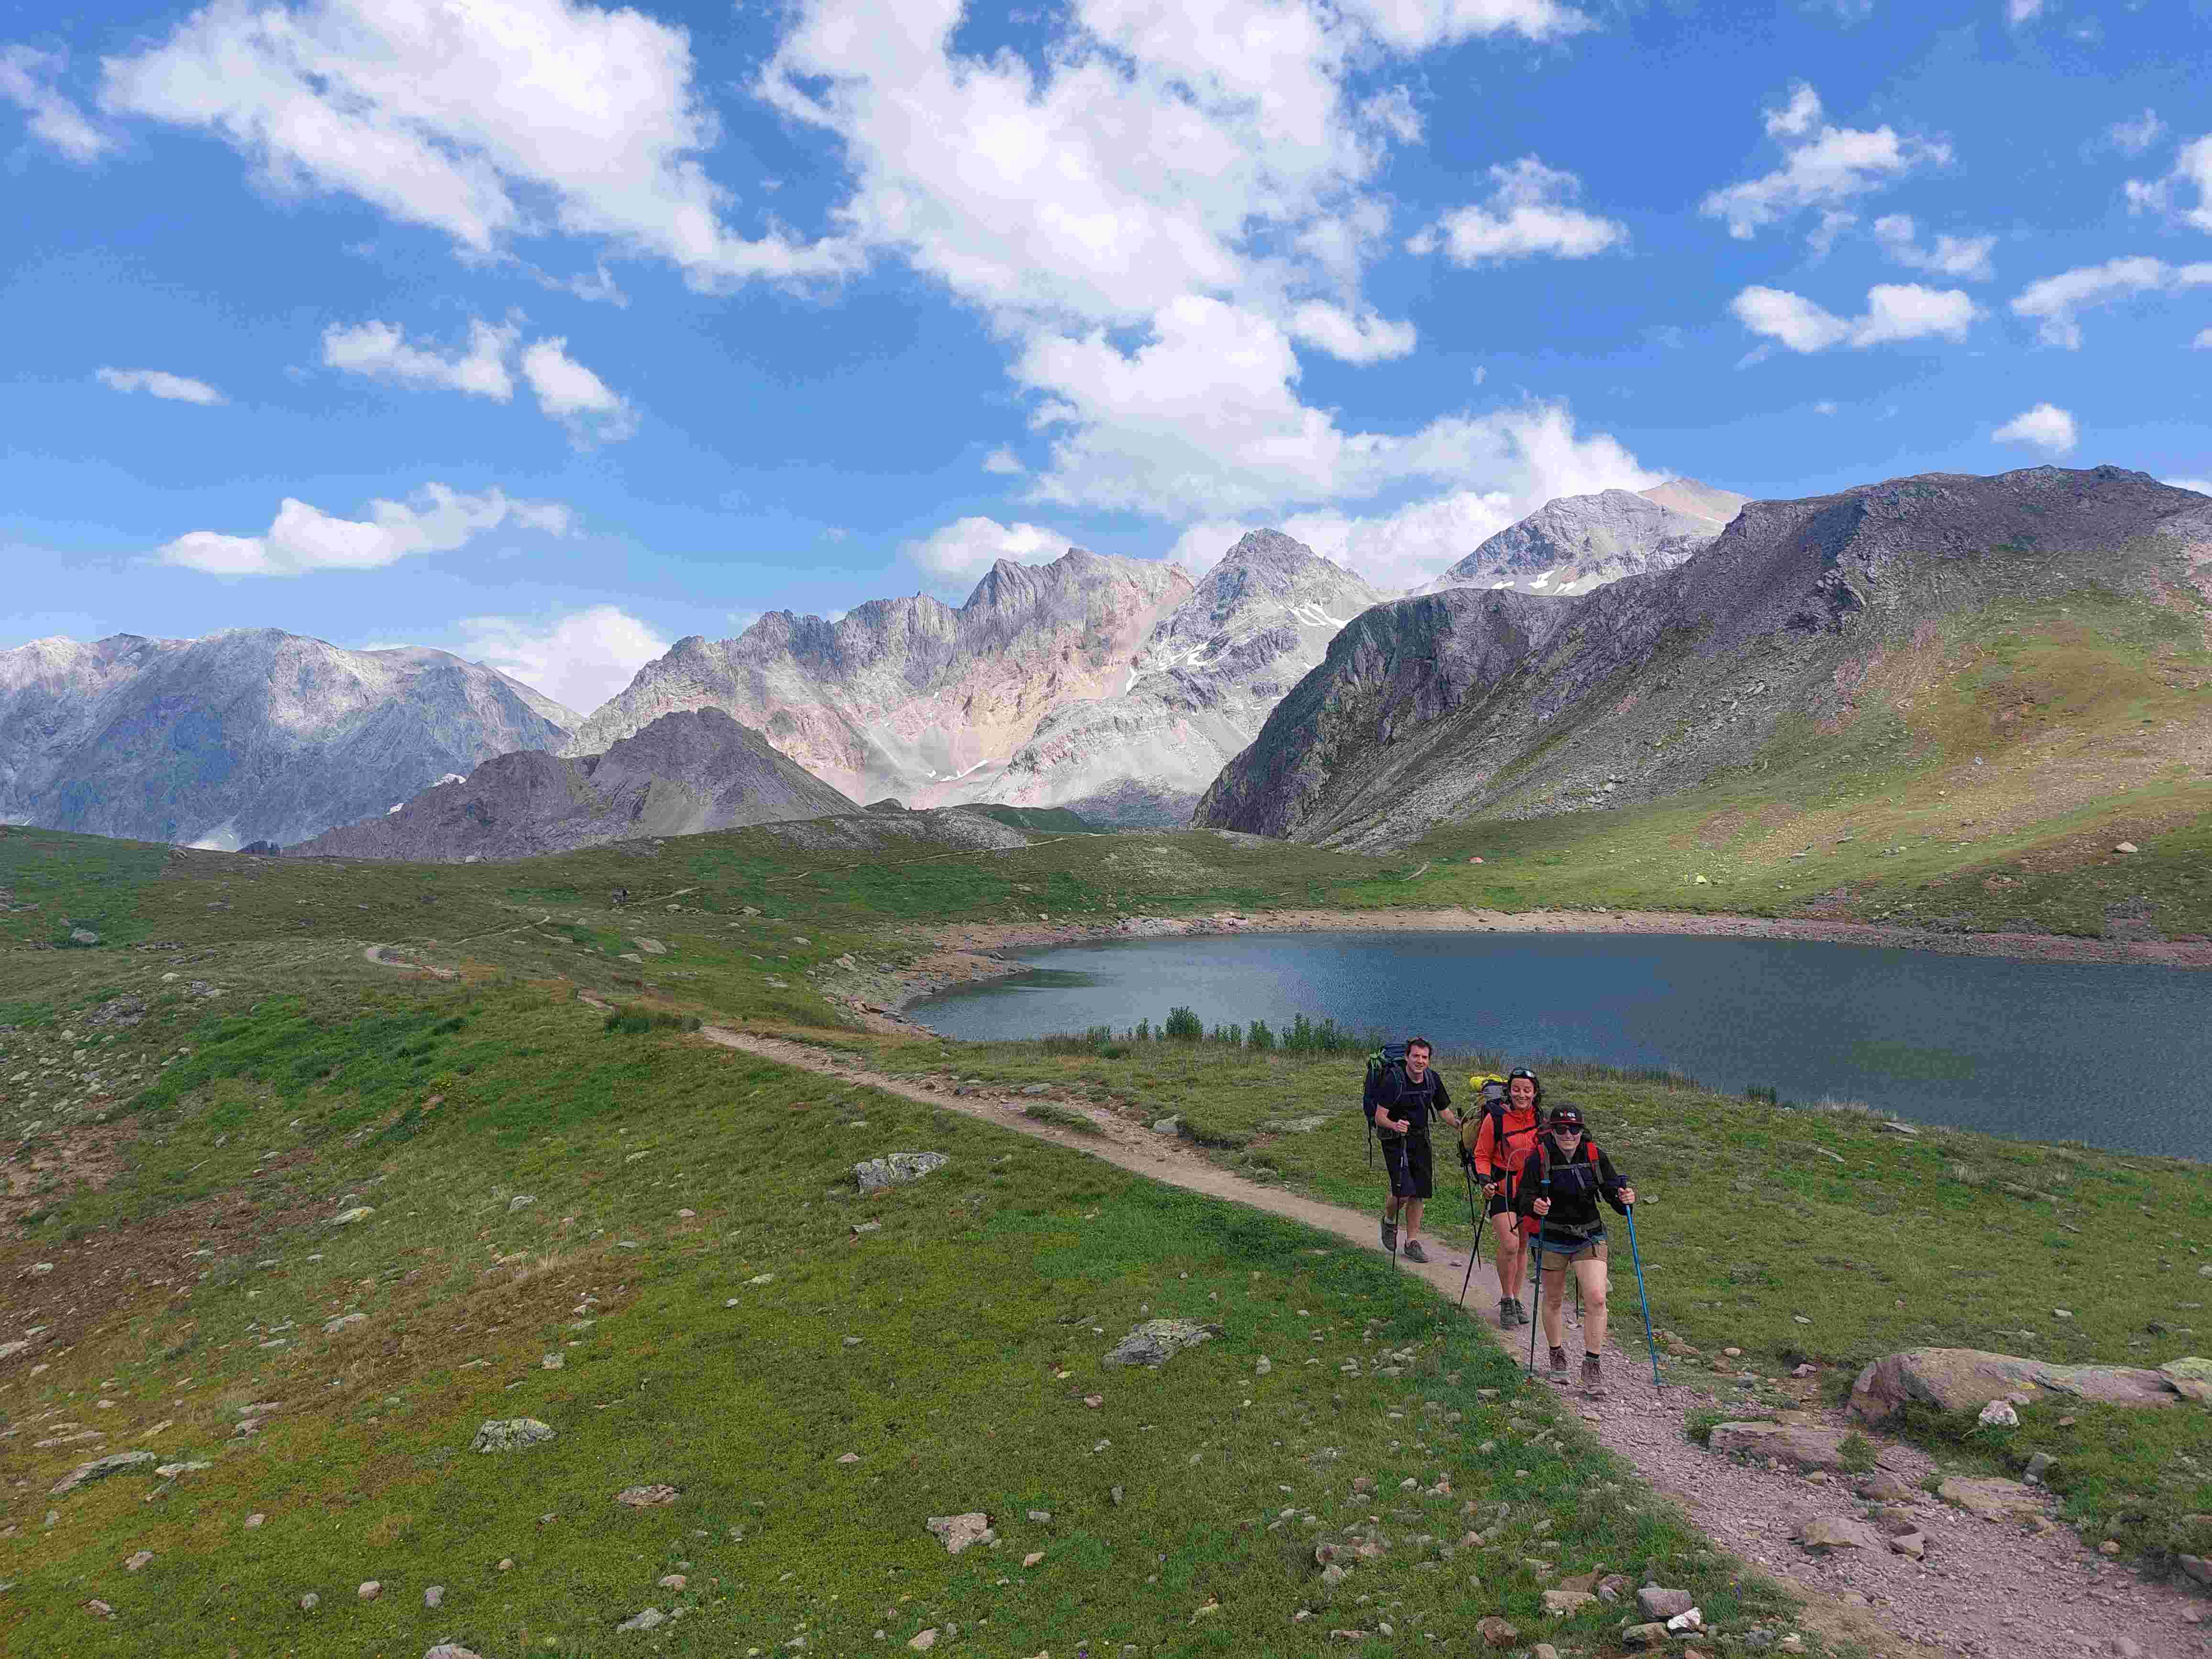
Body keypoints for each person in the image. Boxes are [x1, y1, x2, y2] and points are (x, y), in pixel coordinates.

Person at [1514, 1102, 1636, 1397]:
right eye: (1561, 1129)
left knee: (1597, 1297)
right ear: (1552, 1131)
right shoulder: (1539, 1157)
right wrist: (1534, 1205)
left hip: (1589, 1235)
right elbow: (1522, 1197)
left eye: (1574, 1129)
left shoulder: (1594, 1155)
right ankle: (1557, 1354)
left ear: (1582, 1130)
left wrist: (1625, 1200)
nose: (1568, 1134)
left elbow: (1613, 1195)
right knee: (1554, 1299)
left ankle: (1592, 1364)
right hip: (1551, 1237)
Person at [1367, 1037, 1458, 1263]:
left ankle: (1412, 1242)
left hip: (1420, 1140)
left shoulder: (1432, 1079)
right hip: (1395, 1140)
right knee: (1403, 1193)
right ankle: (1389, 1221)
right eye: (1416, 1056)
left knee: (1419, 1193)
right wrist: (1395, 1125)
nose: (1420, 1061)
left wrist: (1460, 1125)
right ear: (1407, 1057)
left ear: (1429, 1060)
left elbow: (1444, 1111)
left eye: (1424, 1057)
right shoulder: (1394, 1080)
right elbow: (1380, 1117)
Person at [1468, 1067, 1544, 1329]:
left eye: (1527, 1090)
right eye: (1516, 1089)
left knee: (1523, 1245)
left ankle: (1517, 1298)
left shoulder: (1540, 1118)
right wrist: (1485, 1181)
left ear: (1535, 1093)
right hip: (1501, 1190)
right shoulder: (1496, 1118)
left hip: (1528, 1193)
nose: (1521, 1095)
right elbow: (1481, 1154)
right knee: (1510, 1245)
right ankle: (1507, 1298)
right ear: (1509, 1091)